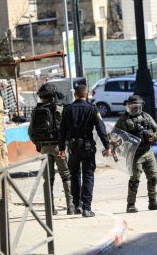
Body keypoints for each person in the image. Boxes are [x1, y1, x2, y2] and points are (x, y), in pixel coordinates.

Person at [58, 85, 111, 217]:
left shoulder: (68, 109)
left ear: (75, 95)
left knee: (74, 176)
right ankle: (87, 207)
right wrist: (107, 146)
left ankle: (77, 206)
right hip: (88, 148)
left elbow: (62, 130)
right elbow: (101, 129)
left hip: (73, 148)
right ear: (86, 95)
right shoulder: (93, 109)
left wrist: (61, 148)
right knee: (88, 176)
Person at [28, 83, 75, 215]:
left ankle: (51, 208)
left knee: (48, 179)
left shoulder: (36, 110)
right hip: (58, 147)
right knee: (66, 176)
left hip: (44, 148)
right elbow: (68, 130)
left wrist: (39, 145)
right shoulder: (60, 109)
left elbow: (30, 132)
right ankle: (70, 207)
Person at [115, 95, 157, 213]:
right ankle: (130, 204)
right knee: (135, 180)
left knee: (153, 177)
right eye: (131, 106)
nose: (133, 108)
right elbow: (114, 135)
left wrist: (154, 136)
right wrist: (122, 144)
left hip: (148, 151)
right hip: (134, 154)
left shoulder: (146, 116)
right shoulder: (123, 120)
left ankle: (153, 202)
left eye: (136, 106)